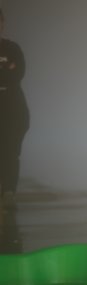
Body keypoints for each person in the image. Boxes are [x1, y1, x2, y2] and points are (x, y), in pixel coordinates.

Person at [0, 8, 29, 211]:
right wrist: (5, 69)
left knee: (10, 152)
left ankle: (9, 191)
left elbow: (18, 74)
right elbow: (10, 74)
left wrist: (9, 72)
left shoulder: (13, 48)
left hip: (14, 110)